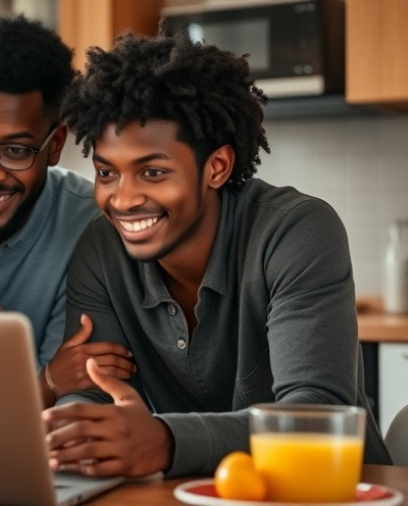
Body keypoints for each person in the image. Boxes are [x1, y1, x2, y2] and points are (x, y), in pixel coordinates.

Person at [43, 32, 392, 478]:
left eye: (153, 171)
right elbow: (96, 392)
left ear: (217, 167)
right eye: (107, 172)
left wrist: (166, 441)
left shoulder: (297, 230)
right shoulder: (101, 247)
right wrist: (70, 431)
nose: (123, 199)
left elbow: (316, 418)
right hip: (196, 491)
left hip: (328, 490)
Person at [0, 14, 134, 405]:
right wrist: (47, 382)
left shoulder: (91, 226)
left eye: (15, 151)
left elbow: (75, 403)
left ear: (56, 144)